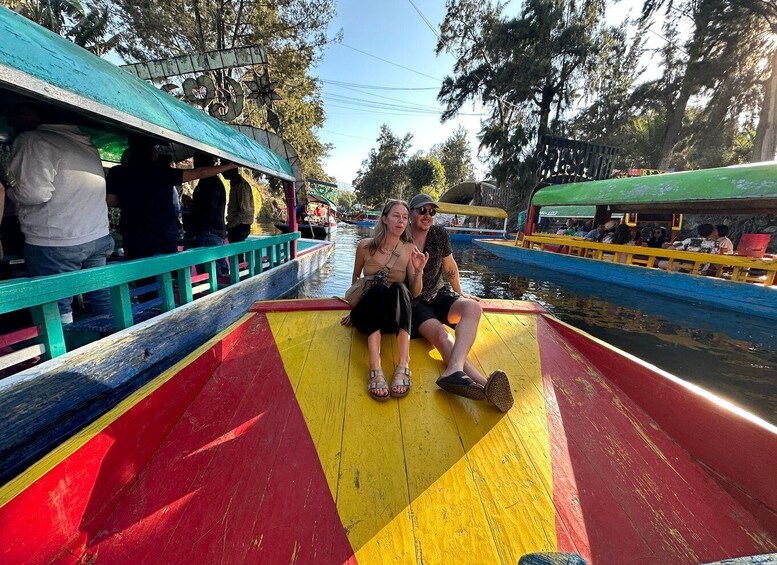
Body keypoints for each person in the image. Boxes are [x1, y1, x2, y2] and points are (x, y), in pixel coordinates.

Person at [8, 103, 114, 324]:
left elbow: (33, 193)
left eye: (17, 111)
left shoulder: (32, 140)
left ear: (33, 111)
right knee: (100, 298)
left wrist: (8, 190)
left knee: (56, 307)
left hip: (57, 241)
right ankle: (112, 336)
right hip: (97, 236)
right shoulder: (85, 143)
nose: (11, 119)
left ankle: (62, 350)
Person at [408, 193, 514, 412]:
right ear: (411, 213)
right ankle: (485, 385)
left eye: (432, 211)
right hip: (414, 302)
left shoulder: (439, 234)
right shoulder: (403, 237)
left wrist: (461, 293)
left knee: (472, 307)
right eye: (422, 210)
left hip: (439, 295)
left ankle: (454, 370)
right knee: (442, 336)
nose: (428, 215)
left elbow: (450, 267)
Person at [340, 199, 428, 401]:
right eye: (396, 216)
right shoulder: (364, 247)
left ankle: (403, 364)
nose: (401, 221)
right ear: (385, 218)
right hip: (367, 317)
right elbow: (355, 280)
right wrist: (353, 311)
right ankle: (375, 366)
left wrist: (419, 271)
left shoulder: (409, 249)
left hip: (391, 320)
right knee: (378, 289)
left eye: (405, 217)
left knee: (400, 288)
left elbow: (414, 293)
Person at [106, 134, 235, 259]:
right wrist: (230, 165)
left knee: (142, 278)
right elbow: (200, 173)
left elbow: (110, 200)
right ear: (153, 154)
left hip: (134, 237)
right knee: (167, 276)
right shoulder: (163, 172)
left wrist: (129, 200)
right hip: (164, 237)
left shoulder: (116, 172)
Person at [190, 152, 231, 275]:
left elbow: (206, 208)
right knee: (220, 273)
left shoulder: (208, 183)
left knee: (210, 275)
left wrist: (191, 204)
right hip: (215, 232)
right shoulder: (215, 182)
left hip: (208, 232)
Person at [224, 167, 254, 242]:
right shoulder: (235, 184)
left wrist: (232, 225)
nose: (222, 171)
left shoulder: (241, 185)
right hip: (237, 225)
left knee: (235, 251)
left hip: (240, 226)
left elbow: (245, 210)